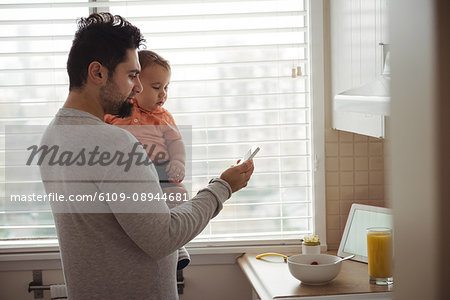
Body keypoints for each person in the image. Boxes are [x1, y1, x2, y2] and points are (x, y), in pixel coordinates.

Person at [38, 12, 254, 300]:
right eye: (131, 75)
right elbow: (163, 237)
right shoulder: (113, 143)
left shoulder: (53, 135)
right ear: (97, 73)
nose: (137, 87)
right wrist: (222, 187)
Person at [105, 50, 191, 270]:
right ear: (135, 84)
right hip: (129, 172)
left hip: (159, 168)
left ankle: (176, 245)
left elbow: (175, 143)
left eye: (166, 87)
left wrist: (178, 163)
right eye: (156, 87)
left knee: (178, 194)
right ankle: (137, 238)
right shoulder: (117, 110)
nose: (162, 94)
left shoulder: (163, 116)